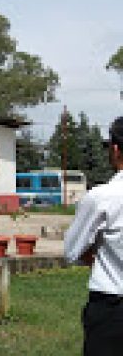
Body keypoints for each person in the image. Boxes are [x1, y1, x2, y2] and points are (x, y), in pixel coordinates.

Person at [65, 116, 123, 355]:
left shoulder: (102, 197)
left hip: (113, 309)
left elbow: (72, 251)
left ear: (116, 149)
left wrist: (96, 254)